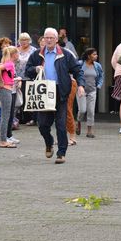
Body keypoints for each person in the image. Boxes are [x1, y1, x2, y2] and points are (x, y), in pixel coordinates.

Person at [26, 28, 83, 163]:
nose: (49, 40)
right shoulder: (37, 54)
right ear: (43, 39)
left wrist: (81, 85)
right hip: (44, 92)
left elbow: (77, 70)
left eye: (51, 38)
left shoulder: (65, 54)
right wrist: (35, 69)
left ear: (57, 39)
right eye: (46, 37)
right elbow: (27, 70)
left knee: (61, 125)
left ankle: (61, 153)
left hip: (60, 92)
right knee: (42, 125)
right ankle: (49, 142)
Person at [0, 46, 21, 148]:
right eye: (17, 53)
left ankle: (4, 139)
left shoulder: (6, 63)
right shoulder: (10, 64)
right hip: (6, 91)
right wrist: (1, 81)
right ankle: (3, 140)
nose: (18, 55)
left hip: (6, 90)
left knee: (5, 116)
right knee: (5, 116)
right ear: (13, 54)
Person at [77, 48, 103, 138]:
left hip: (92, 91)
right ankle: (78, 121)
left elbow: (101, 76)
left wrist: (98, 85)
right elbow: (75, 74)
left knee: (91, 111)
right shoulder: (80, 64)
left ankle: (89, 131)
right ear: (88, 56)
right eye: (94, 54)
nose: (96, 56)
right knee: (82, 110)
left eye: (96, 54)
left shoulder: (97, 65)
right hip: (81, 90)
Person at [16, 32, 37, 125]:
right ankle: (19, 118)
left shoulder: (34, 50)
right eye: (22, 40)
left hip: (29, 77)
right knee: (19, 98)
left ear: (29, 41)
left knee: (28, 98)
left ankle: (30, 118)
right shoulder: (15, 50)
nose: (24, 42)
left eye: (26, 40)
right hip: (17, 78)